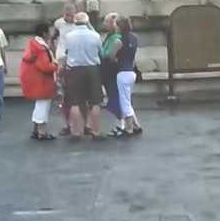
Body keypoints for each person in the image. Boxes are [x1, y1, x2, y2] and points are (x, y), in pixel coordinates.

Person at [62, 11, 103, 140]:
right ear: (87, 22)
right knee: (95, 102)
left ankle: (76, 132)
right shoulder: (95, 35)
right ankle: (96, 131)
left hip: (75, 69)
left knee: (74, 102)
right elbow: (100, 51)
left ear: (75, 22)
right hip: (92, 69)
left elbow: (66, 52)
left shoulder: (69, 36)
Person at [20, 22, 59, 141]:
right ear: (45, 33)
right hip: (42, 81)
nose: (52, 33)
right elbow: (45, 66)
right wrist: (56, 65)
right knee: (43, 105)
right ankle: (42, 132)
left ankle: (36, 130)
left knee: (39, 105)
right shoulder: (41, 48)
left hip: (34, 79)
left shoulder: (33, 44)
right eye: (50, 31)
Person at [108, 15, 142, 137]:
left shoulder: (119, 41)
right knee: (127, 99)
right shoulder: (134, 38)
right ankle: (136, 125)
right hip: (131, 72)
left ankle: (129, 128)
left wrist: (116, 60)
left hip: (122, 72)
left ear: (119, 26)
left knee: (124, 102)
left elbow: (111, 56)